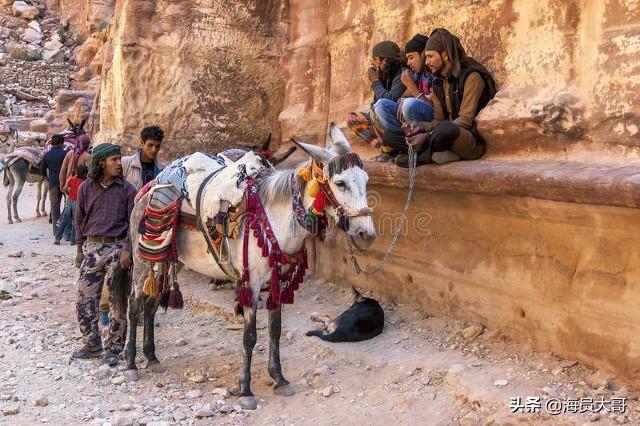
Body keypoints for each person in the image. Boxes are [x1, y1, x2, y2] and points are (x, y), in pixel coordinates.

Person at [72, 143, 136, 366]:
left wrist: (127, 249)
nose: (119, 164)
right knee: (84, 300)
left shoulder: (128, 190)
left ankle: (114, 349)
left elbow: (132, 224)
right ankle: (92, 344)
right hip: (91, 248)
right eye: (114, 160)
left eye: (120, 159)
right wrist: (79, 249)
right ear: (101, 163)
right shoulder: (85, 188)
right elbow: (79, 221)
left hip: (118, 249)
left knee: (117, 301)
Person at [394, 28, 497, 167]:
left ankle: (423, 157)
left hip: (468, 139)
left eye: (430, 56)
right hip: (442, 136)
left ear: (446, 55)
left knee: (446, 129)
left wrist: (428, 135)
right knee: (391, 134)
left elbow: (465, 121)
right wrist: (420, 126)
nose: (426, 62)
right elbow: (439, 120)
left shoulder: (472, 77)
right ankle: (440, 154)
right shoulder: (438, 82)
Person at [346, 40, 406, 161]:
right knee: (352, 118)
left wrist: (375, 82)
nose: (372, 63)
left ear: (386, 60)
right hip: (385, 120)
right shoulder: (385, 74)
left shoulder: (402, 74)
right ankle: (387, 148)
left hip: (400, 122)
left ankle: (392, 149)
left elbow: (389, 101)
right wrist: (380, 80)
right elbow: (375, 104)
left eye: (375, 59)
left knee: (377, 111)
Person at [40, 134, 68, 235]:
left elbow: (42, 170)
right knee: (69, 205)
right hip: (65, 183)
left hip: (53, 183)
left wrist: (47, 179)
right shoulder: (65, 153)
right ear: (61, 143)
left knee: (54, 208)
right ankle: (66, 228)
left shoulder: (46, 155)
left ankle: (56, 232)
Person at [122, 125, 164, 190]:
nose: (154, 150)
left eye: (157, 146)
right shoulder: (126, 163)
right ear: (142, 143)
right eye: (150, 145)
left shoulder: (162, 169)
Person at [54, 164, 87, 245]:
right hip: (77, 202)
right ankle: (73, 240)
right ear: (83, 174)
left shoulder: (71, 179)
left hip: (69, 201)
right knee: (76, 221)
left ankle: (57, 238)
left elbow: (64, 189)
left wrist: (68, 194)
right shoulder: (83, 182)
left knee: (64, 220)